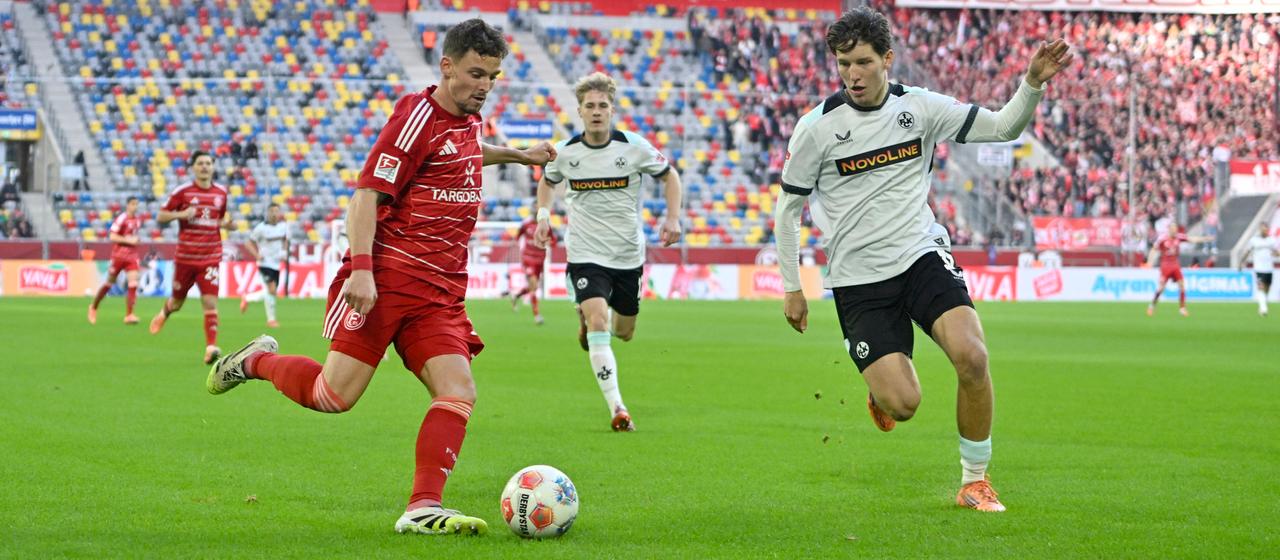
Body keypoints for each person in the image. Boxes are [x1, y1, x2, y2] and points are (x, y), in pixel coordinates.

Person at [207, 19, 555, 536]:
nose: (484, 85)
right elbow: (365, 196)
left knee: (458, 390)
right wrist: (364, 271)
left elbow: (462, 153)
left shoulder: (467, 118)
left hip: (439, 293)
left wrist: (519, 155)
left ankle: (422, 507)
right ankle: (255, 360)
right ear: (448, 66)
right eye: (476, 74)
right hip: (387, 279)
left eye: (493, 77)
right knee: (332, 396)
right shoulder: (415, 117)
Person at [775, 7, 1074, 513]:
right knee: (904, 405)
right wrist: (791, 286)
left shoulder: (921, 108)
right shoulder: (816, 129)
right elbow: (788, 209)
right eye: (843, 63)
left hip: (920, 255)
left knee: (973, 356)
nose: (852, 74)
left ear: (887, 59)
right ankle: (881, 390)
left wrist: (1032, 84)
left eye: (863, 62)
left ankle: (974, 480)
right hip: (858, 279)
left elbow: (1002, 128)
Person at [534, 71, 684, 432]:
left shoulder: (634, 147)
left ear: (612, 110)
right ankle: (618, 407)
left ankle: (589, 322)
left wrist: (673, 218)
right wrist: (543, 217)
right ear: (580, 111)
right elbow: (546, 182)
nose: (597, 111)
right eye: (590, 106)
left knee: (624, 331)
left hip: (627, 254)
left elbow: (670, 176)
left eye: (603, 105)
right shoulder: (565, 152)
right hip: (585, 252)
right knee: (599, 320)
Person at [150, 151, 231, 364]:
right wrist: (181, 215)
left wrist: (226, 225)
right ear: (193, 167)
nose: (204, 167)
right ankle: (164, 313)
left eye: (208, 163)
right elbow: (160, 216)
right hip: (186, 257)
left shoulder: (221, 193)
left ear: (213, 167)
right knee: (177, 302)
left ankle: (210, 347)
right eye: (200, 163)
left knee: (210, 301)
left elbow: (218, 220)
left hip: (211, 256)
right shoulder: (183, 192)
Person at [88, 196, 143, 325]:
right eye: (133, 204)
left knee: (133, 283)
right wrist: (129, 240)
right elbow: (112, 236)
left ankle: (129, 315)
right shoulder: (122, 218)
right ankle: (94, 306)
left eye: (137, 204)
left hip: (132, 256)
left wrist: (135, 240)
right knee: (109, 284)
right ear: (128, 205)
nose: (136, 207)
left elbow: (132, 236)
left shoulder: (138, 220)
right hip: (118, 256)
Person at [239, 203, 290, 327]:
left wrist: (284, 252)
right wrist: (256, 255)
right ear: (267, 213)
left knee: (270, 292)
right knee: (271, 290)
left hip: (276, 263)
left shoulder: (283, 227)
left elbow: (285, 240)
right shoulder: (261, 228)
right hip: (265, 263)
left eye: (276, 211)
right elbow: (248, 243)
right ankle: (271, 320)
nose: (274, 214)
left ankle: (248, 298)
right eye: (272, 211)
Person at [1146, 222, 1213, 317]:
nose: (1175, 230)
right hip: (1165, 265)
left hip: (1175, 264)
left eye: (1176, 228)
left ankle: (1182, 308)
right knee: (1161, 288)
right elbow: (1154, 249)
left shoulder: (1178, 237)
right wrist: (1149, 262)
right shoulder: (1162, 238)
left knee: (1181, 285)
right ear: (1169, 229)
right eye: (1173, 228)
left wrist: (1205, 239)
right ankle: (1152, 305)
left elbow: (1192, 239)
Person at [508, 217, 556, 325]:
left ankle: (516, 296)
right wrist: (516, 245)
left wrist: (548, 242)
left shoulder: (546, 226)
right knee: (534, 286)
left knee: (533, 287)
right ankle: (537, 315)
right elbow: (517, 237)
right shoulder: (526, 225)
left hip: (540, 259)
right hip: (528, 258)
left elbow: (554, 241)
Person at [1245, 223, 1277, 316]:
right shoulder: (1254, 241)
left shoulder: (1271, 240)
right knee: (1261, 287)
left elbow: (1276, 252)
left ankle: (1263, 303)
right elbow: (1248, 251)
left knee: (1267, 288)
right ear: (1260, 229)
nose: (1264, 231)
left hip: (1269, 268)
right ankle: (1263, 309)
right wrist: (1241, 262)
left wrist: (1277, 254)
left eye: (1266, 229)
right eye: (1262, 229)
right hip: (1259, 268)